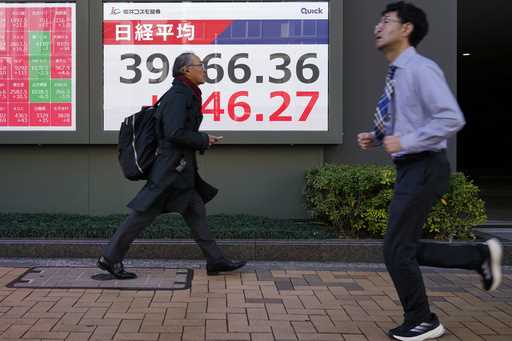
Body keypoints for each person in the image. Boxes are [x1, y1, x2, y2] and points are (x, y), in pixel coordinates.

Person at [357, 2, 502, 340]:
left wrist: (405, 140)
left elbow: (452, 118)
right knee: (401, 247)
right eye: (378, 22)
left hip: (424, 166)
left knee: (396, 248)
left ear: (406, 29)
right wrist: (377, 138)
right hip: (413, 167)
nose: (377, 27)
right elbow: (409, 118)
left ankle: (423, 319)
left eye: (386, 21)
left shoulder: (419, 69)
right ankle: (478, 255)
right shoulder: (398, 73)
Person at [98, 52, 246, 279]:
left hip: (179, 169)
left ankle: (215, 260)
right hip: (170, 171)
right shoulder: (179, 95)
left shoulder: (186, 92)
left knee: (195, 210)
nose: (204, 69)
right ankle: (110, 258)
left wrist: (202, 140)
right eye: (201, 65)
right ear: (187, 70)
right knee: (142, 215)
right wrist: (203, 139)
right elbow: (174, 132)